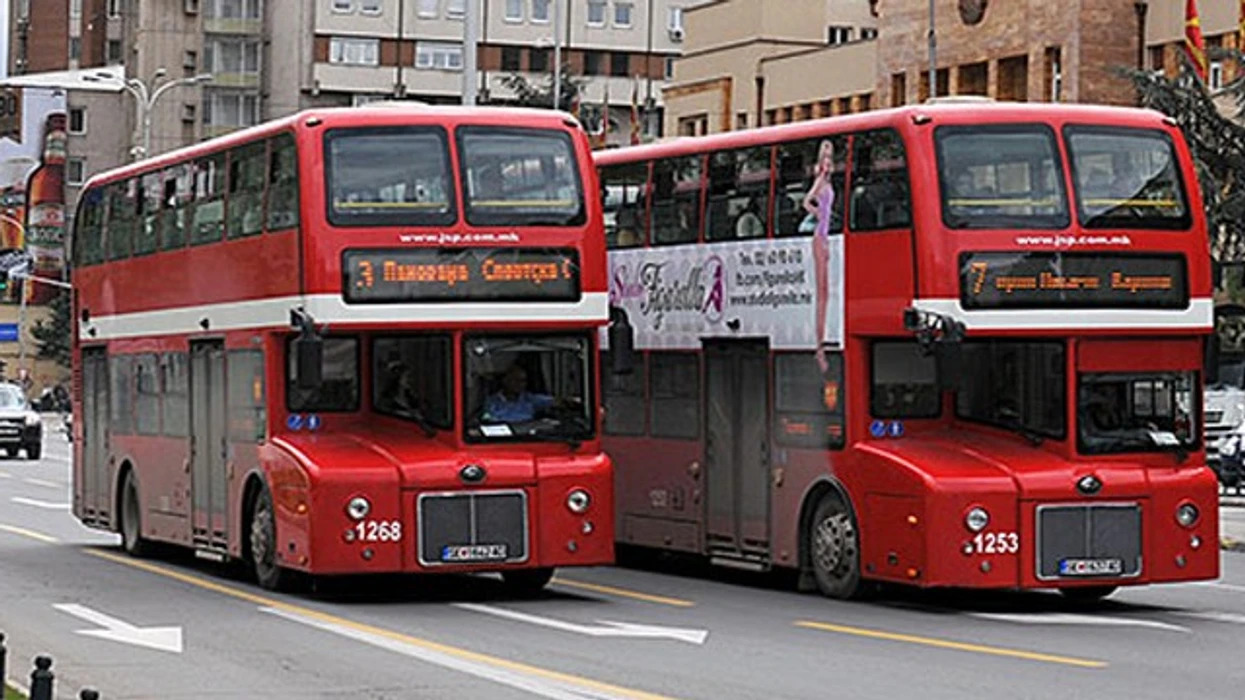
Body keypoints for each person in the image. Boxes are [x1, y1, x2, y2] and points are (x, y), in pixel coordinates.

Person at [803, 139, 836, 374]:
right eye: (823, 159)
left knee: (826, 293)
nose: (826, 164)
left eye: (829, 159)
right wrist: (819, 214)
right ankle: (819, 346)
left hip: (825, 237)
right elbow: (807, 201)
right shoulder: (819, 183)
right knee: (822, 295)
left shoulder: (828, 183)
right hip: (819, 236)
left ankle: (821, 343)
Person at [484, 364, 556, 423]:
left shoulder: (530, 399)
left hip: (527, 437)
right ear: (505, 381)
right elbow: (486, 420)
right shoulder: (491, 402)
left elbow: (554, 401)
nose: (521, 384)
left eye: (523, 381)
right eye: (516, 380)